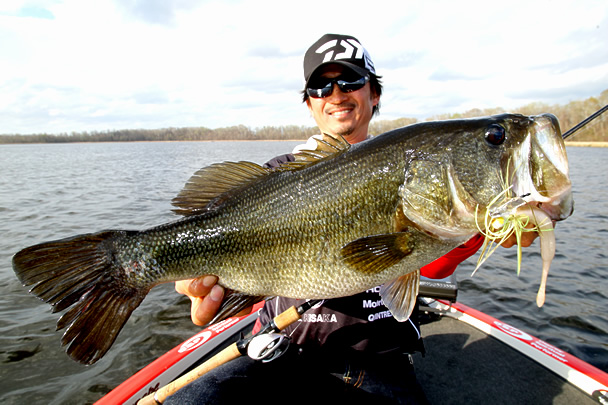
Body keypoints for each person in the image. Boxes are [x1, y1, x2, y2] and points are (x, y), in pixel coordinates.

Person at [169, 34, 540, 404]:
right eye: (320, 86)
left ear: (373, 94)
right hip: (279, 350)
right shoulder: (273, 179)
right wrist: (205, 288)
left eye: (350, 80)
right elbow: (249, 280)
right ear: (309, 103)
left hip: (379, 360)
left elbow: (432, 264)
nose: (335, 93)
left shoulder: (412, 167)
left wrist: (483, 225)